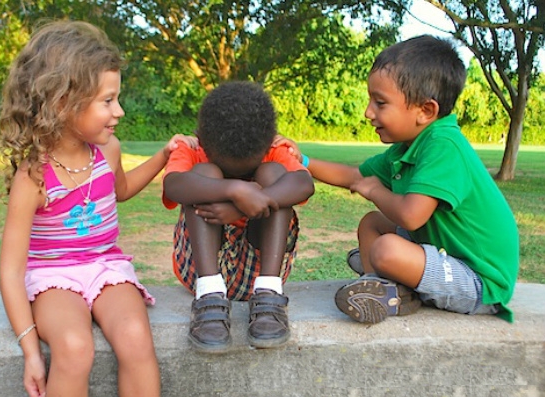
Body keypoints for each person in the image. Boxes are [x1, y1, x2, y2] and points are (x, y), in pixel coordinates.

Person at [0, 20, 196, 397]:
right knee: (73, 345)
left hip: (106, 267)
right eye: (107, 100)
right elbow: (10, 270)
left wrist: (163, 157)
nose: (118, 111)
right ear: (63, 102)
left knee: (136, 336)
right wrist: (31, 350)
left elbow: (122, 189)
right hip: (53, 276)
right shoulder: (33, 177)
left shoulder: (108, 151)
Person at [296, 35, 519, 324]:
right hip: (446, 253)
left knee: (387, 249)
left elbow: (412, 217)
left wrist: (376, 190)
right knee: (372, 224)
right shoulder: (407, 148)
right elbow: (354, 176)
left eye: (380, 102)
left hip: (478, 280)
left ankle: (387, 277)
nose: (368, 112)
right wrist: (301, 161)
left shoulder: (443, 146)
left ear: (425, 111)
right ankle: (376, 284)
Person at [162, 81, 315, 353]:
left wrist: (246, 205)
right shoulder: (193, 149)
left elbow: (304, 184)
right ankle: (209, 294)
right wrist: (236, 188)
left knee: (275, 175)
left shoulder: (274, 150)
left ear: (270, 140)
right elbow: (173, 185)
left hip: (257, 271)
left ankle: (269, 293)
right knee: (203, 174)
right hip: (200, 269)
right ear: (200, 138)